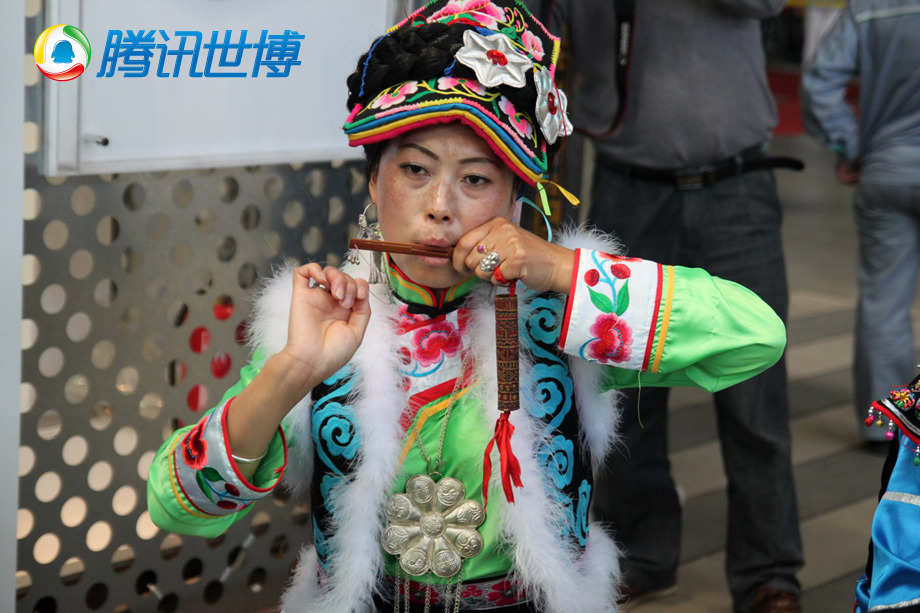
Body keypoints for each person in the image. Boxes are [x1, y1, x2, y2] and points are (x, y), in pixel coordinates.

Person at [146, 2, 787, 611]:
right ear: (375, 181)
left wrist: (558, 266)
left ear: (514, 202)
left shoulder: (557, 314)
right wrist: (292, 372)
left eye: (476, 179)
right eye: (415, 171)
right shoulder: (326, 321)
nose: (440, 207)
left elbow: (756, 338)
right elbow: (179, 507)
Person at [549, 2, 805, 612]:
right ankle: (641, 554)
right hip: (625, 184)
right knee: (628, 388)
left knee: (756, 398)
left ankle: (769, 573)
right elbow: (540, 42)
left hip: (737, 183)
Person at [801, 0, 920, 447]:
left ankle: (888, 428)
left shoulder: (872, 6)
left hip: (886, 171)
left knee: (883, 300)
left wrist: (851, 147)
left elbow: (818, 82)